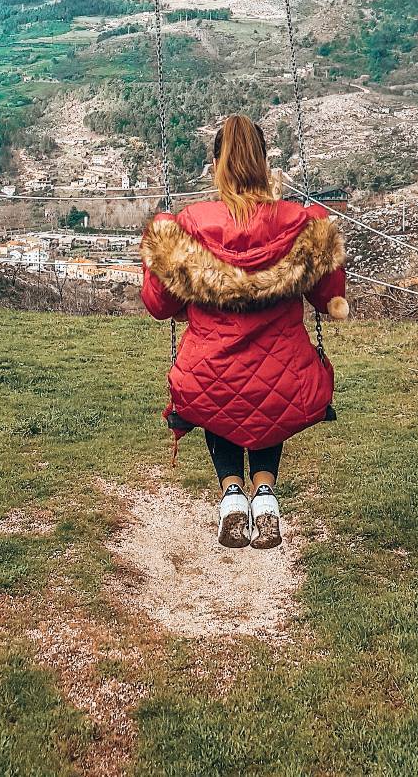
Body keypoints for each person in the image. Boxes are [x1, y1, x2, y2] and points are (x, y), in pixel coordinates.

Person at [141, 113, 347, 548]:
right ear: (265, 162)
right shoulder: (297, 222)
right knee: (263, 392)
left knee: (222, 391)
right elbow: (328, 295)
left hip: (208, 374)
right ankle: (266, 494)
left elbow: (161, 306)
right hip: (284, 377)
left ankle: (233, 494)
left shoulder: (191, 224)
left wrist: (161, 252)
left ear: (216, 164)